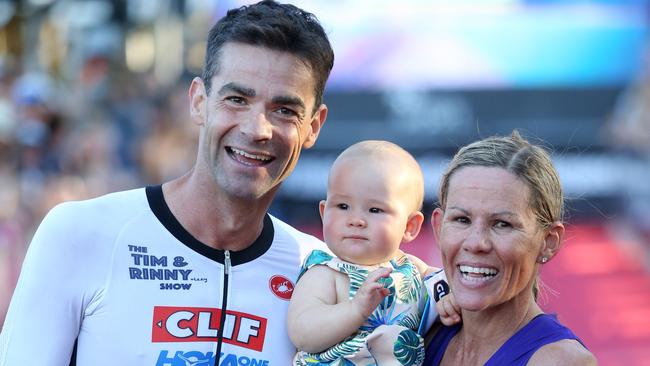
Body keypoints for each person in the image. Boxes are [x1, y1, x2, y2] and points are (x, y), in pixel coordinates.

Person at [0, 1, 334, 365]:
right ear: (198, 102)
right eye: (236, 99)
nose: (257, 129)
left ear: (314, 126)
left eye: (284, 110)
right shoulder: (79, 234)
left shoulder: (318, 273)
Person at [424, 131, 597, 365]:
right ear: (438, 227)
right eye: (462, 220)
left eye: (502, 224)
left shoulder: (558, 361)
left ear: (548, 242)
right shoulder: (417, 329)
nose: (476, 243)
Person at [288, 140, 456, 365]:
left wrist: (451, 299)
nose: (356, 220)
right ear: (323, 212)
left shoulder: (413, 269)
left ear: (410, 227)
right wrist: (355, 310)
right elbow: (303, 333)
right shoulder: (325, 274)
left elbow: (446, 286)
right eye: (343, 206)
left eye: (375, 210)